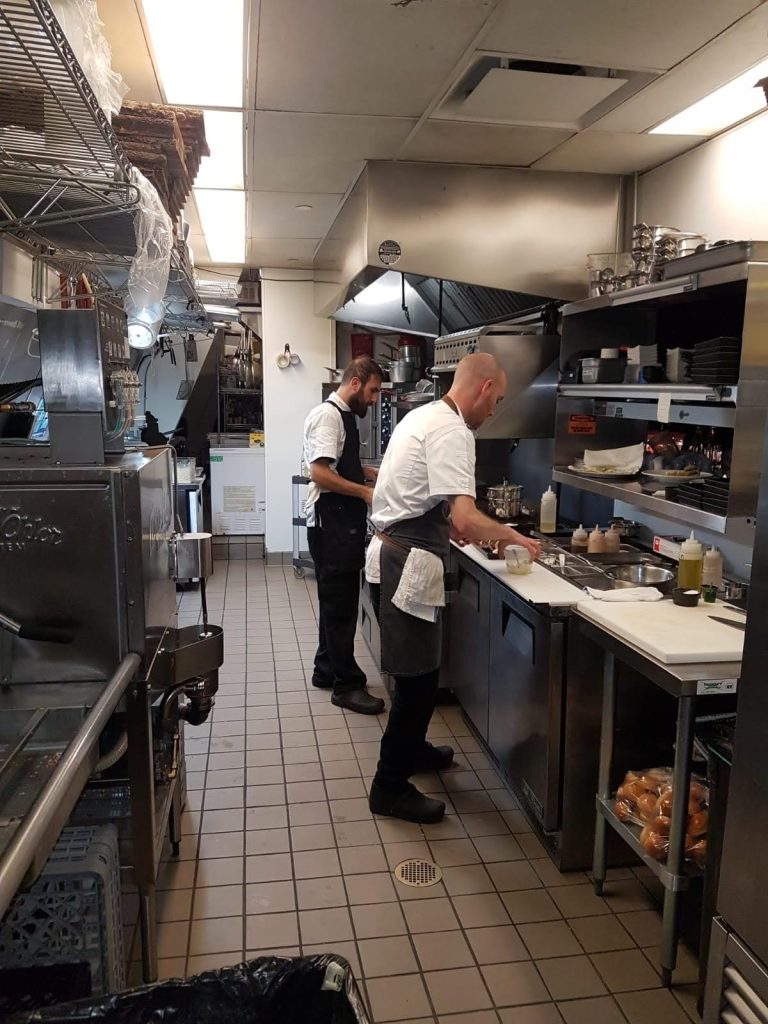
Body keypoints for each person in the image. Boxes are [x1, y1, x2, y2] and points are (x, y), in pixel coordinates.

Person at [365, 352, 541, 822]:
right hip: (406, 562)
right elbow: (464, 517)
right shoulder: (453, 430)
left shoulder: (425, 415)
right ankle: (388, 787)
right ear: (484, 387)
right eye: (497, 400)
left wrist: (453, 525)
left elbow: (430, 501)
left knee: (421, 674)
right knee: (416, 682)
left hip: (395, 552)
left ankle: (414, 750)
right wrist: (514, 537)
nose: (494, 411)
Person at [303, 356, 386, 715]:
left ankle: (326, 669)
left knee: (334, 602)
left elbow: (337, 464)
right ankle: (346, 686)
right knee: (341, 606)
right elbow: (320, 473)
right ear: (355, 382)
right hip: (331, 524)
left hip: (338, 523)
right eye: (373, 391)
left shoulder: (344, 415)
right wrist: (365, 492)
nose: (374, 399)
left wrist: (365, 471)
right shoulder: (329, 415)